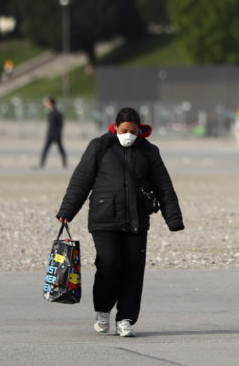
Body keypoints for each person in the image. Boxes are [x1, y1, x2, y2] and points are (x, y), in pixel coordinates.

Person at [56, 107, 185, 338]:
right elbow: (81, 180)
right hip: (103, 218)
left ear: (140, 131)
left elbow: (164, 186)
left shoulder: (149, 151)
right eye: (124, 130)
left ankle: (125, 319)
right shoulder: (99, 146)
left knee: (133, 271)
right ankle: (103, 310)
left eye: (133, 131)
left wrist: (173, 218)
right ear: (115, 127)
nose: (129, 135)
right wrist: (67, 210)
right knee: (109, 265)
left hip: (137, 220)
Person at [38, 97, 66, 169]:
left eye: (49, 103)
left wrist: (58, 134)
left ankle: (64, 163)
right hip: (50, 135)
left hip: (56, 135)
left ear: (52, 104)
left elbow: (60, 125)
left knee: (61, 149)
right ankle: (42, 164)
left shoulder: (58, 114)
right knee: (45, 149)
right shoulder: (49, 113)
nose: (47, 104)